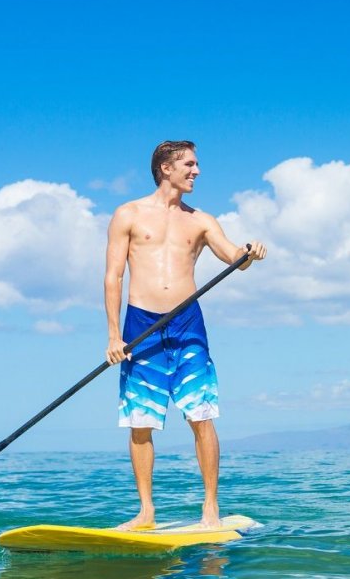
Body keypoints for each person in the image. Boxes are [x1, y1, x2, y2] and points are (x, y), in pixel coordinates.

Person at [104, 140, 266, 530]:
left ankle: (210, 508)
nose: (196, 171)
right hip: (140, 325)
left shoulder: (202, 221)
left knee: (201, 416)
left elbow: (232, 257)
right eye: (189, 165)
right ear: (165, 168)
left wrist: (249, 251)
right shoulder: (128, 214)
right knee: (140, 422)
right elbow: (113, 277)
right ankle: (146, 512)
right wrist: (113, 336)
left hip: (187, 322)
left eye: (197, 165)